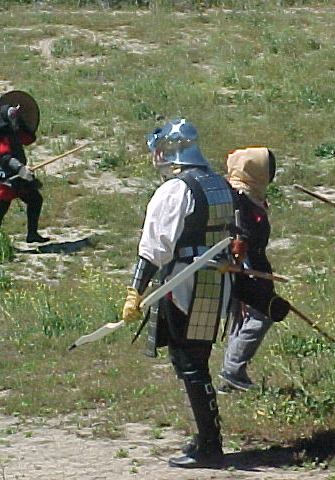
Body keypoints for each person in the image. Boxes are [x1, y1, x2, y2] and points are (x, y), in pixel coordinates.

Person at [121, 118, 234, 468]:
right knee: (196, 359)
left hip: (185, 283)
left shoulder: (177, 189)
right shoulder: (218, 182)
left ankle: (210, 445)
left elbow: (155, 247)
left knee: (189, 361)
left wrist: (135, 290)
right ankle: (207, 437)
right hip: (216, 281)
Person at [217, 147, 290, 393]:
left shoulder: (248, 195)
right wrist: (243, 270)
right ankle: (232, 369)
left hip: (255, 264)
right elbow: (240, 237)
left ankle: (230, 377)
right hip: (245, 267)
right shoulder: (238, 198)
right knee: (263, 313)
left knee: (245, 318)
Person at [0, 90, 49, 243]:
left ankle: (32, 234)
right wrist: (20, 168)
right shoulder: (3, 135)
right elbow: (5, 157)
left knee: (35, 200)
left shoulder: (15, 131)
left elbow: (27, 139)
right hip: (7, 178)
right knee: (1, 209)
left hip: (19, 177)